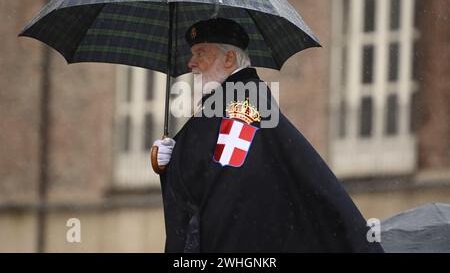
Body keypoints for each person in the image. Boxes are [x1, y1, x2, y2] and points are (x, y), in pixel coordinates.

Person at [153, 18, 384, 253]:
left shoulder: (245, 103)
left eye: (200, 53)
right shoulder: (228, 102)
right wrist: (169, 160)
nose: (191, 62)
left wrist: (177, 159)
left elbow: (227, 182)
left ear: (229, 59)